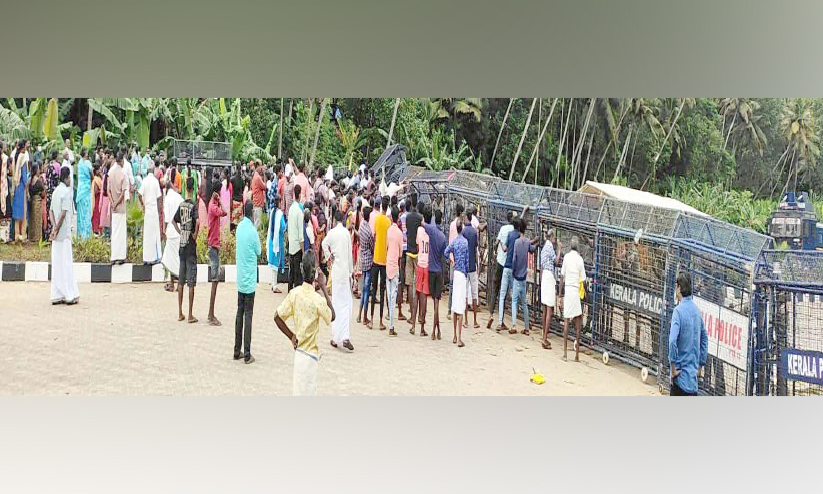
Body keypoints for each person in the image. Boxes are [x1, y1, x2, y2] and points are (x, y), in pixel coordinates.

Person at [274, 254, 334, 396]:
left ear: (301, 270)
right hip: (311, 357)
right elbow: (332, 316)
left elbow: (277, 317)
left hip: (299, 354)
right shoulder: (317, 300)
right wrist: (324, 287)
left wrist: (291, 336)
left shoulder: (294, 294)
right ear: (315, 275)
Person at [668, 272, 708, 396]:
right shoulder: (697, 311)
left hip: (679, 379)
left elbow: (672, 341)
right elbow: (704, 339)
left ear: (679, 287)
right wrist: (700, 366)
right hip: (692, 381)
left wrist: (673, 368)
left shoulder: (678, 311)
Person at [322, 208, 355, 350]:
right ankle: (345, 336)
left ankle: (335, 338)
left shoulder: (332, 233)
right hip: (344, 272)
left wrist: (329, 257)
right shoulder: (346, 233)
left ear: (334, 220)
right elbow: (349, 255)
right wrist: (351, 272)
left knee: (335, 304)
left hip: (335, 272)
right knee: (346, 305)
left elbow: (324, 244)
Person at [235, 200, 262, 364]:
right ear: (252, 213)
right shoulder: (252, 231)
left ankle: (236, 350)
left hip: (240, 278)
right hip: (250, 280)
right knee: (248, 315)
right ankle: (247, 353)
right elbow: (258, 251)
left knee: (239, 313)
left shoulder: (239, 228)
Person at [49, 167, 80, 306]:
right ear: (66, 177)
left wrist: (54, 228)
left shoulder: (56, 192)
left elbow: (51, 212)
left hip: (56, 236)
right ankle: (69, 294)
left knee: (57, 263)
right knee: (66, 263)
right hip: (64, 234)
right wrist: (57, 228)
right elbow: (63, 213)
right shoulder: (66, 193)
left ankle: (57, 294)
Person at [497, 207, 529, 331]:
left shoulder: (510, 235)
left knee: (503, 295)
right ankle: (518, 324)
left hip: (506, 267)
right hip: (515, 271)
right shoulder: (521, 238)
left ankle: (500, 322)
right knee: (517, 298)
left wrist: (500, 242)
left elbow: (504, 249)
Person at [174, 177, 200, 324]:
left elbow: (173, 220)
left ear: (185, 187)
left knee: (181, 280)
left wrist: (180, 231)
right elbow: (198, 222)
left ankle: (180, 312)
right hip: (190, 244)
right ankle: (190, 314)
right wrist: (195, 235)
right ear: (194, 188)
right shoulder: (193, 206)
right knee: (191, 281)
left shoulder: (182, 204)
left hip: (182, 243)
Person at [559, 236, 587, 362]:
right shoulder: (580, 259)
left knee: (566, 320)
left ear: (570, 246)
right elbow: (583, 280)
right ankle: (576, 355)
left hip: (568, 290)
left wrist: (560, 294)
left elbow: (562, 277)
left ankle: (565, 353)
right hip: (576, 291)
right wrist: (585, 292)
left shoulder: (566, 257)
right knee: (578, 321)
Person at [444, 218, 469, 347]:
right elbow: (467, 261)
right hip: (462, 274)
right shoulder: (465, 243)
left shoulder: (455, 242)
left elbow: (446, 252)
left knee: (455, 306)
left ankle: (454, 335)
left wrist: (451, 261)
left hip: (456, 272)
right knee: (461, 306)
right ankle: (459, 337)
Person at [510, 218, 538, 335]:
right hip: (524, 277)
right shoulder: (527, 241)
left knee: (514, 301)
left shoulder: (517, 242)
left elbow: (514, 259)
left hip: (517, 276)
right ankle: (526, 327)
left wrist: (513, 271)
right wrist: (536, 242)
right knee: (524, 303)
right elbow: (532, 250)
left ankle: (514, 325)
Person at [206, 184, 228, 326]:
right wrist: (220, 201)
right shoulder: (213, 208)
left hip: (214, 245)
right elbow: (225, 212)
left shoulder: (212, 204)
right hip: (213, 246)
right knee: (215, 281)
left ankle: (211, 313)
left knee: (215, 281)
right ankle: (211, 314)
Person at [425, 208, 447, 341]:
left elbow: (422, 222)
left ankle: (434, 330)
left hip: (431, 269)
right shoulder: (443, 237)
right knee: (436, 302)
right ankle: (437, 329)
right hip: (438, 270)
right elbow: (444, 257)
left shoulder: (431, 231)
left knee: (434, 301)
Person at [370, 196, 391, 330]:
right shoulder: (389, 222)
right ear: (387, 207)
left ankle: (371, 319)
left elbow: (374, 235)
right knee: (382, 290)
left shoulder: (377, 220)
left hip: (376, 257)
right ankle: (381, 321)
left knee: (374, 289)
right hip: (384, 259)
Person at [410, 204, 431, 337]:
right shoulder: (432, 232)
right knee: (424, 296)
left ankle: (413, 325)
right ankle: (422, 327)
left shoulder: (419, 230)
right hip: (427, 265)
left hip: (420, 263)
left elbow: (418, 246)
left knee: (416, 294)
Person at [161, 171, 184, 292]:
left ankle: (175, 282)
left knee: (171, 259)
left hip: (171, 231)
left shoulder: (168, 198)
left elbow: (167, 218)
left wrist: (164, 231)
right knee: (173, 258)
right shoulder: (178, 197)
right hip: (179, 231)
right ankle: (172, 283)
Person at [138, 160, 164, 265]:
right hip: (153, 210)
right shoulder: (155, 181)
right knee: (155, 234)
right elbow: (159, 197)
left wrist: (143, 204)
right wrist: (159, 209)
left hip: (147, 209)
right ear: (153, 170)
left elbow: (139, 194)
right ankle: (155, 257)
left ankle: (146, 258)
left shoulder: (144, 181)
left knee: (147, 234)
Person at [540, 229, 561, 350]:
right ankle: (544, 338)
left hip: (544, 276)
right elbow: (556, 261)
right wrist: (559, 249)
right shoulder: (549, 248)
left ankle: (544, 335)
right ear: (551, 236)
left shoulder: (544, 248)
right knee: (549, 309)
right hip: (549, 276)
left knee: (545, 308)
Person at [385, 206, 403, 337]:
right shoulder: (399, 233)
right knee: (393, 296)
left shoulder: (389, 231)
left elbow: (387, 247)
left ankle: (390, 323)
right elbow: (401, 254)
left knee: (389, 294)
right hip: (395, 266)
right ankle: (391, 325)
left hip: (388, 265)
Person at [404, 196, 424, 324]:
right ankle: (421, 315)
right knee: (419, 285)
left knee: (410, 284)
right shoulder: (420, 219)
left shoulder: (408, 218)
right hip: (418, 253)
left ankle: (412, 312)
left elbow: (407, 232)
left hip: (409, 252)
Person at [107, 153, 129, 264]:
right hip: (120, 208)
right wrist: (117, 203)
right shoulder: (123, 173)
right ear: (121, 161)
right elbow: (123, 192)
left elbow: (108, 190)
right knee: (121, 233)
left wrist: (112, 203)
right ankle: (121, 256)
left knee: (114, 232)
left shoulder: (110, 172)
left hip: (114, 208)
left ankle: (113, 256)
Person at [462, 208, 481, 329]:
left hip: (465, 266)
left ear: (466, 218)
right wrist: (477, 264)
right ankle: (475, 320)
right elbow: (475, 249)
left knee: (465, 294)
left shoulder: (463, 232)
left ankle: (466, 320)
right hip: (473, 266)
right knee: (474, 294)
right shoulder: (474, 232)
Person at [357, 206, 374, 326]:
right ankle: (364, 316)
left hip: (363, 257)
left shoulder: (361, 227)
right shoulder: (368, 231)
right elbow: (372, 247)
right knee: (366, 290)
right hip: (368, 260)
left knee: (364, 288)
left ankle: (360, 314)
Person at [446, 203, 464, 321]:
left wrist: (450, 257)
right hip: (459, 259)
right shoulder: (461, 226)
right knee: (459, 286)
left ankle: (449, 309)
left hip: (452, 257)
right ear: (461, 213)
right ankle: (457, 310)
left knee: (452, 285)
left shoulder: (452, 224)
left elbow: (450, 241)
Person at [267, 194, 287, 293]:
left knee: (273, 263)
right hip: (277, 241)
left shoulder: (272, 212)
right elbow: (283, 227)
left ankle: (273, 283)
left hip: (271, 240)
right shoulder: (279, 214)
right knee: (276, 262)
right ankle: (274, 286)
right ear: (279, 202)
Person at [287, 184, 305, 290]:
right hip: (297, 246)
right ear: (300, 195)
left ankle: (290, 290)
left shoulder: (291, 209)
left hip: (291, 244)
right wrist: (303, 251)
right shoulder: (299, 211)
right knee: (297, 273)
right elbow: (301, 235)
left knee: (291, 271)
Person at [11, 140, 29, 243]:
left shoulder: (15, 156)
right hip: (21, 186)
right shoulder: (22, 157)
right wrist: (27, 185)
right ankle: (22, 235)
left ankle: (16, 234)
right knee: (23, 210)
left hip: (16, 186)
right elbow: (24, 175)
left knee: (17, 211)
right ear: (23, 147)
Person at [75, 148, 93, 239]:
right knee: (86, 211)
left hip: (80, 189)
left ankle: (80, 235)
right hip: (86, 188)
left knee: (81, 212)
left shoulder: (79, 164)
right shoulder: (88, 163)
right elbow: (92, 174)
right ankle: (86, 235)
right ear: (85, 153)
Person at [28, 163, 45, 242]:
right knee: (38, 220)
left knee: (32, 219)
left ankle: (31, 236)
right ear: (36, 170)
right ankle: (38, 237)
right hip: (38, 201)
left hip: (31, 201)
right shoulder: (38, 180)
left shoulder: (30, 180)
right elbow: (43, 191)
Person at [230, 164, 244, 232]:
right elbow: (243, 190)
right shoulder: (242, 179)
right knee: (239, 221)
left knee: (233, 221)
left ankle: (232, 236)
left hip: (234, 201)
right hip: (240, 202)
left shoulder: (232, 179)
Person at [91, 163, 103, 235]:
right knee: (96, 214)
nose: (100, 170)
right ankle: (96, 228)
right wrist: (100, 191)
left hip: (99, 198)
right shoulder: (96, 180)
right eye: (99, 169)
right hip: (97, 199)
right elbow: (95, 191)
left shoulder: (99, 178)